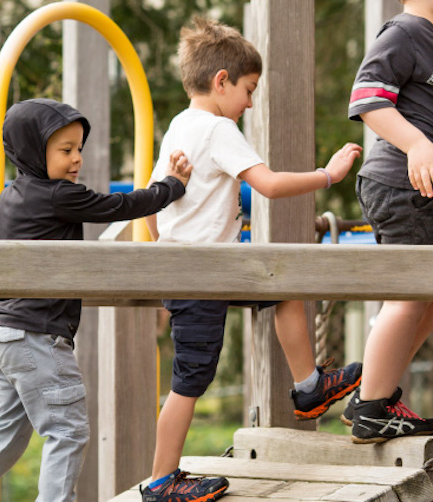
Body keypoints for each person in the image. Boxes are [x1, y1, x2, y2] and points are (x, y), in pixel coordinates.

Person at [140, 16, 363, 502]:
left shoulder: (179, 125)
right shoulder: (218, 129)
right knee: (190, 379)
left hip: (198, 266)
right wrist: (328, 175)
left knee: (278, 283)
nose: (249, 102)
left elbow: (156, 202)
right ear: (222, 82)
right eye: (248, 89)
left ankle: (308, 388)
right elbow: (268, 185)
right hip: (202, 273)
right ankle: (161, 480)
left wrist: (166, 250)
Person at [0, 98, 193, 502]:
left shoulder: (9, 196)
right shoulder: (58, 196)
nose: (76, 159)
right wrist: (171, 187)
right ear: (36, 151)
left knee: (9, 429)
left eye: (79, 149)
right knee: (67, 431)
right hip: (36, 337)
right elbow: (119, 206)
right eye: (65, 150)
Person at [341, 0, 433, 444]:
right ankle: (372, 408)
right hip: (402, 184)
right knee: (409, 296)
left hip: (423, 190)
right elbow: (366, 97)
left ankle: (373, 394)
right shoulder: (406, 31)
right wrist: (416, 143)